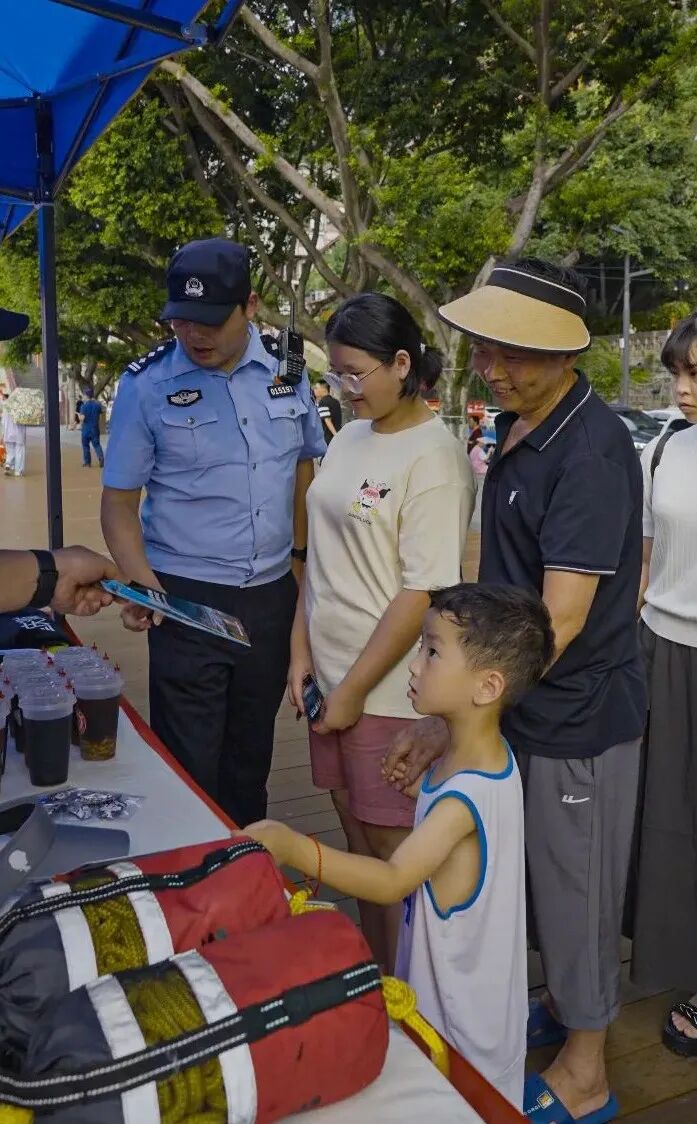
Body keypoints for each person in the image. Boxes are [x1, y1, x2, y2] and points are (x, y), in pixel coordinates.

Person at [386, 258, 645, 1124]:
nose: (493, 364)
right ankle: (569, 1008)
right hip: (521, 700)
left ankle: (586, 1066)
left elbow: (559, 620)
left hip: (577, 715)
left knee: (577, 892)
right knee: (535, 879)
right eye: (485, 345)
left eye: (516, 351)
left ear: (566, 352)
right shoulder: (518, 426)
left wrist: (458, 711)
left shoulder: (593, 450)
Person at [245, 583, 555, 1110]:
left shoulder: (461, 801)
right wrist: (423, 794)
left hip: (457, 1030)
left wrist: (292, 847)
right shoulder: (490, 757)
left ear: (487, 686)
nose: (414, 665)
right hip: (480, 1010)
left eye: (432, 652)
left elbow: (392, 881)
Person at [101, 238, 325, 827]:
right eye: (179, 319)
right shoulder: (146, 385)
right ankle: (198, 890)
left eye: (208, 321)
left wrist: (299, 568)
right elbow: (119, 505)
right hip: (184, 599)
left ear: (249, 306)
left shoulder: (289, 365)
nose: (191, 334)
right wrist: (144, 587)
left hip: (272, 597)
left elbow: (305, 469)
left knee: (250, 759)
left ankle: (246, 880)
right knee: (191, 764)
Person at [289, 292, 474, 971]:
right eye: (335, 372)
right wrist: (299, 654)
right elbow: (319, 556)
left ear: (402, 364)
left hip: (386, 696)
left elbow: (418, 593)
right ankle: (377, 983)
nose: (343, 388)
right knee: (356, 850)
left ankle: (412, 1005)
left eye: (354, 373)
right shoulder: (350, 434)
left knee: (392, 860)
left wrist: (354, 692)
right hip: (329, 681)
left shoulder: (434, 460)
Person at [631, 314, 697, 1056]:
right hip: (661, 648)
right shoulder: (664, 449)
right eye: (676, 373)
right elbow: (645, 559)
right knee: (665, 818)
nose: (681, 390)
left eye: (694, 376)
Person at [78, 386, 104, 468]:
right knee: (96, 444)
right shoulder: (97, 405)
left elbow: (82, 418)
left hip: (86, 429)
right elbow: (100, 414)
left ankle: (87, 462)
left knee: (85, 446)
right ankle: (100, 457)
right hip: (95, 428)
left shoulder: (84, 406)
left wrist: (79, 416)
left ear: (86, 395)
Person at [313, 379, 342, 445]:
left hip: (328, 438)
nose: (314, 390)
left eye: (316, 388)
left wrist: (336, 436)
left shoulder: (323, 402)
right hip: (338, 434)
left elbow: (327, 420)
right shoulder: (335, 401)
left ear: (323, 389)